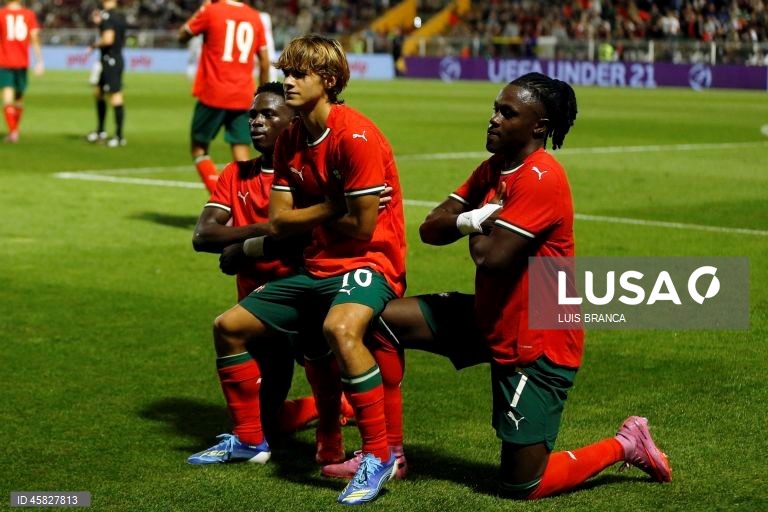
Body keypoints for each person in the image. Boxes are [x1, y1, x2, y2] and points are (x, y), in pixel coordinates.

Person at [370, 72, 672, 499]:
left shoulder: (541, 178)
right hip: (490, 317)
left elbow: (490, 258)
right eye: (495, 109)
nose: (493, 118)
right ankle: (390, 453)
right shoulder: (494, 168)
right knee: (380, 321)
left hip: (536, 340)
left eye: (507, 113)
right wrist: (477, 218)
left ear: (538, 127)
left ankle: (626, 443)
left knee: (524, 484)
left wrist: (472, 222)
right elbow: (431, 227)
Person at [194, 35, 407, 505]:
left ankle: (378, 457)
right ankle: (249, 440)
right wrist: (334, 204)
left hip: (370, 261)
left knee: (339, 329)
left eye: (298, 74)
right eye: (285, 72)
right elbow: (278, 221)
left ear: (327, 81)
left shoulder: (356, 136)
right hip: (316, 264)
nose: (288, 81)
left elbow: (362, 228)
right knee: (228, 327)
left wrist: (317, 212)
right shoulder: (291, 139)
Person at [189, 83, 356, 461]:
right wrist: (270, 230)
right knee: (266, 422)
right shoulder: (236, 173)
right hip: (258, 314)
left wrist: (245, 248)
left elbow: (309, 237)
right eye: (253, 115)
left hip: (304, 301)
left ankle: (337, 414)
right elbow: (203, 235)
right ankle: (321, 407)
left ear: (294, 122)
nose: (256, 122)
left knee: (323, 361)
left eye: (268, 114)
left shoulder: (305, 176)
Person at [179, 0, 270, 194]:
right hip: (244, 96)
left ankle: (221, 199)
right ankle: (248, 203)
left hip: (213, 93)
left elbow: (182, 36)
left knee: (199, 148)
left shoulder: (211, 11)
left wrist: (201, 9)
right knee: (242, 153)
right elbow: (264, 61)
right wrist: (263, 94)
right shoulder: (254, 17)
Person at [0, 0, 43, 143]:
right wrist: (39, 61)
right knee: (19, 98)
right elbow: (34, 37)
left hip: (4, 61)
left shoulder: (1, 14)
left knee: (8, 97)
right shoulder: (29, 14)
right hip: (22, 62)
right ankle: (14, 130)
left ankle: (13, 131)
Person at [85, 0, 127, 148]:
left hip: (111, 60)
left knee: (115, 95)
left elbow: (108, 39)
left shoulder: (108, 17)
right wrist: (100, 24)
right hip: (111, 59)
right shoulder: (119, 16)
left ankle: (119, 136)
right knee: (98, 92)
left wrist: (94, 45)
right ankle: (101, 131)